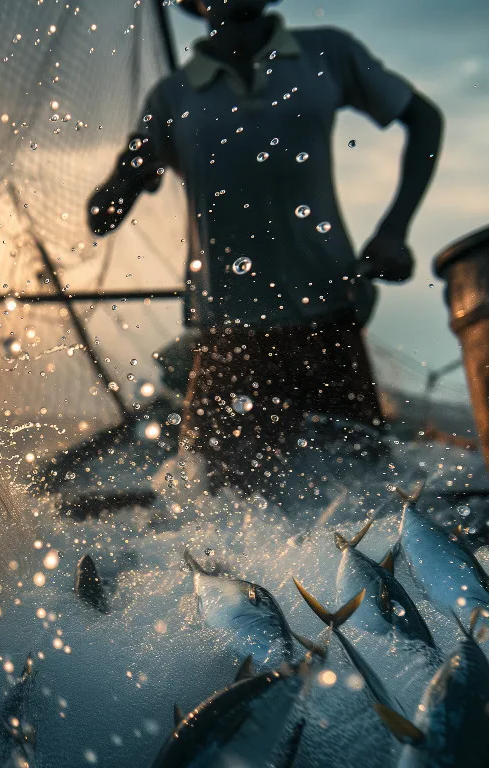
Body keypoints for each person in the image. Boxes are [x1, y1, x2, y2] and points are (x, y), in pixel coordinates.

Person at [89, 0, 443, 496]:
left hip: (327, 321)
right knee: (212, 514)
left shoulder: (327, 54)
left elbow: (424, 119)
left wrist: (394, 230)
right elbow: (100, 217)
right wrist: (129, 173)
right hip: (229, 338)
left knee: (362, 501)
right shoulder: (172, 97)